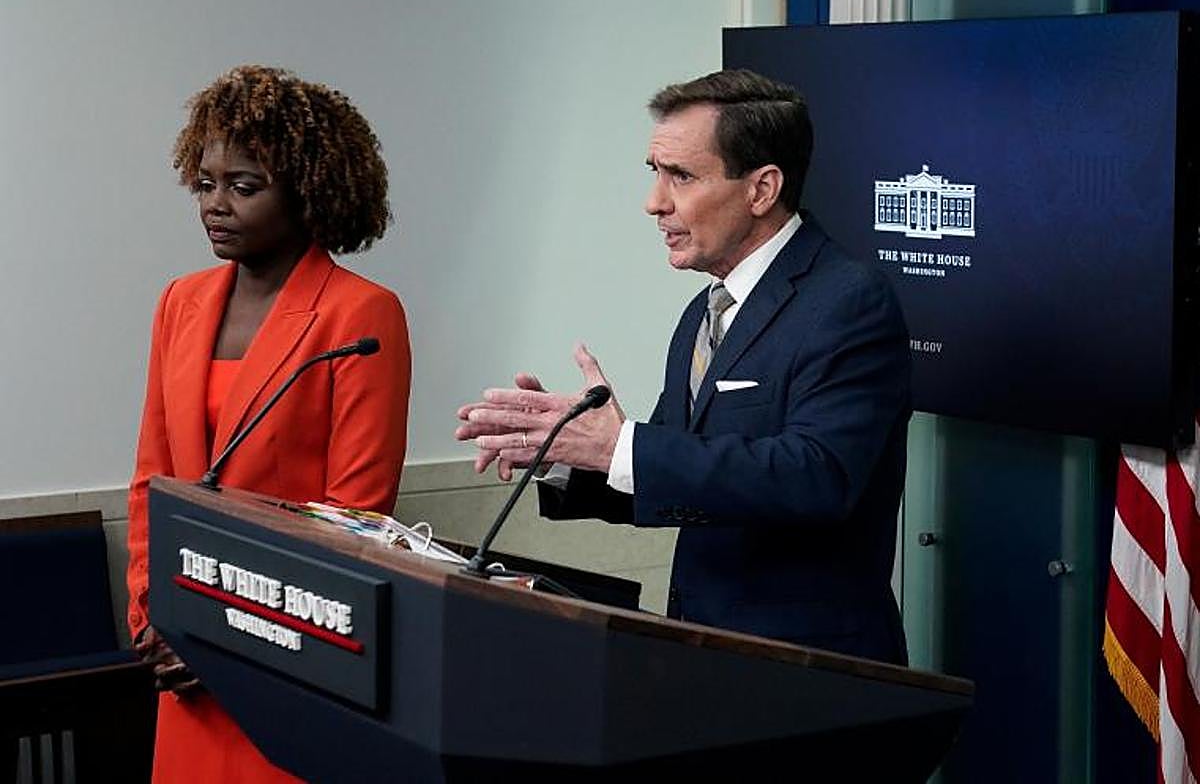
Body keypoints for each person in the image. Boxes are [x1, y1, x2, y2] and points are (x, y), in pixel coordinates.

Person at [456, 69, 910, 665]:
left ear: (761, 189)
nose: (654, 203)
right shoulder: (706, 307)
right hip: (708, 662)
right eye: (655, 173)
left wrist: (620, 448)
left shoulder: (849, 301)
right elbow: (686, 476)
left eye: (682, 176)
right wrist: (567, 451)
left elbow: (817, 476)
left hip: (810, 672)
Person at [126, 65, 411, 782]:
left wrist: (224, 637)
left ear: (309, 191)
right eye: (206, 184)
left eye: (244, 187)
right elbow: (151, 478)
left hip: (288, 658)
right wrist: (155, 615)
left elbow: (354, 517)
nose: (216, 205)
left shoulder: (361, 313)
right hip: (181, 652)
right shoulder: (179, 303)